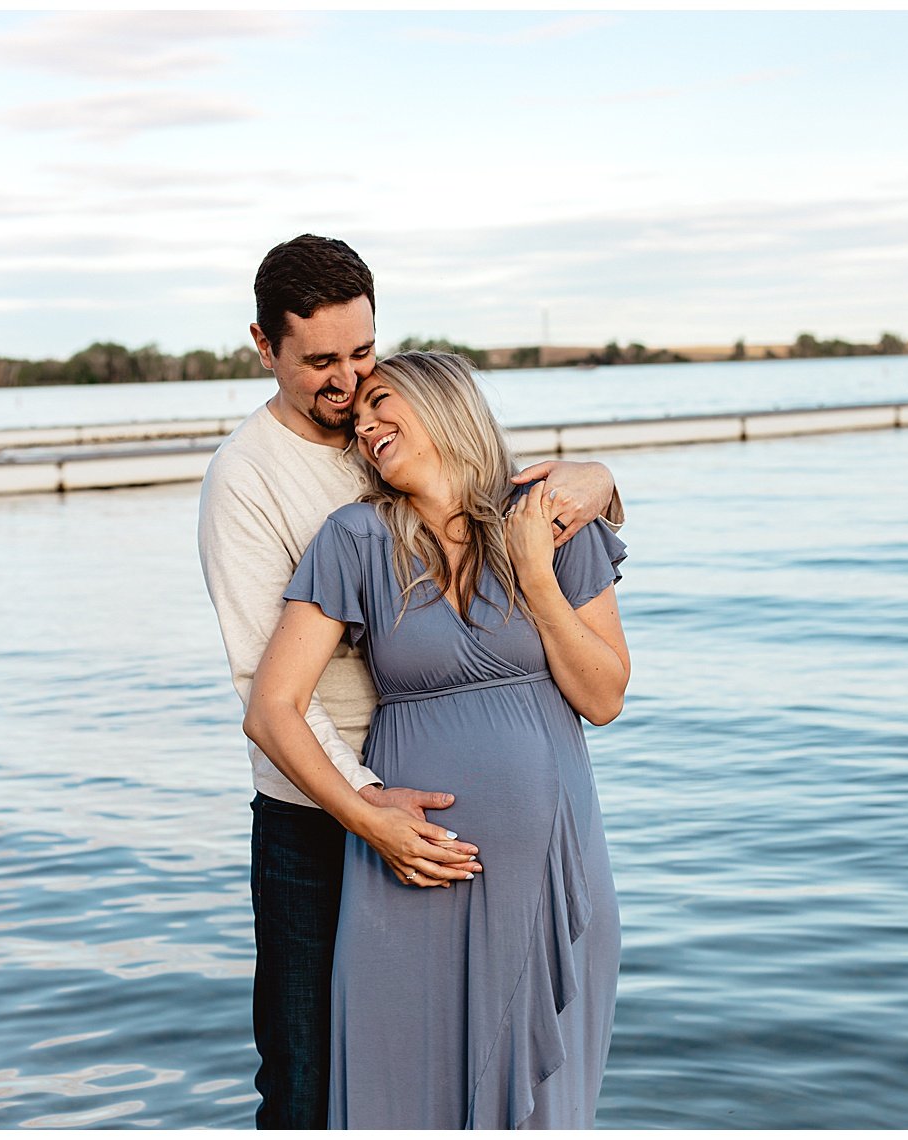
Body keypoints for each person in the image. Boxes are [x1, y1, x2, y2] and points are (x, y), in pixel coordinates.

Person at [196, 235, 622, 1128]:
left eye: (364, 357)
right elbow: (270, 701)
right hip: (323, 816)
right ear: (263, 347)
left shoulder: (399, 454)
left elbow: (482, 482)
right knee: (314, 1082)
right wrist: (372, 817)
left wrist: (598, 480)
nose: (350, 388)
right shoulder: (253, 484)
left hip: (509, 842)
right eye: (321, 363)